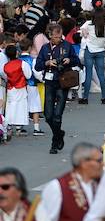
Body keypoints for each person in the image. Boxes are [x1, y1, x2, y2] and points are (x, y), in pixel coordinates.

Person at [35, 23, 81, 153]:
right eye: (56, 37)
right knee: (48, 115)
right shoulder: (44, 48)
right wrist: (47, 62)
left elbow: (76, 60)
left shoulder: (67, 46)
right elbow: (38, 66)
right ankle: (59, 133)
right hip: (49, 82)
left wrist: (69, 60)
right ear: (50, 36)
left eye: (60, 36)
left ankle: (55, 143)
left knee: (57, 116)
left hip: (63, 82)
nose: (59, 39)